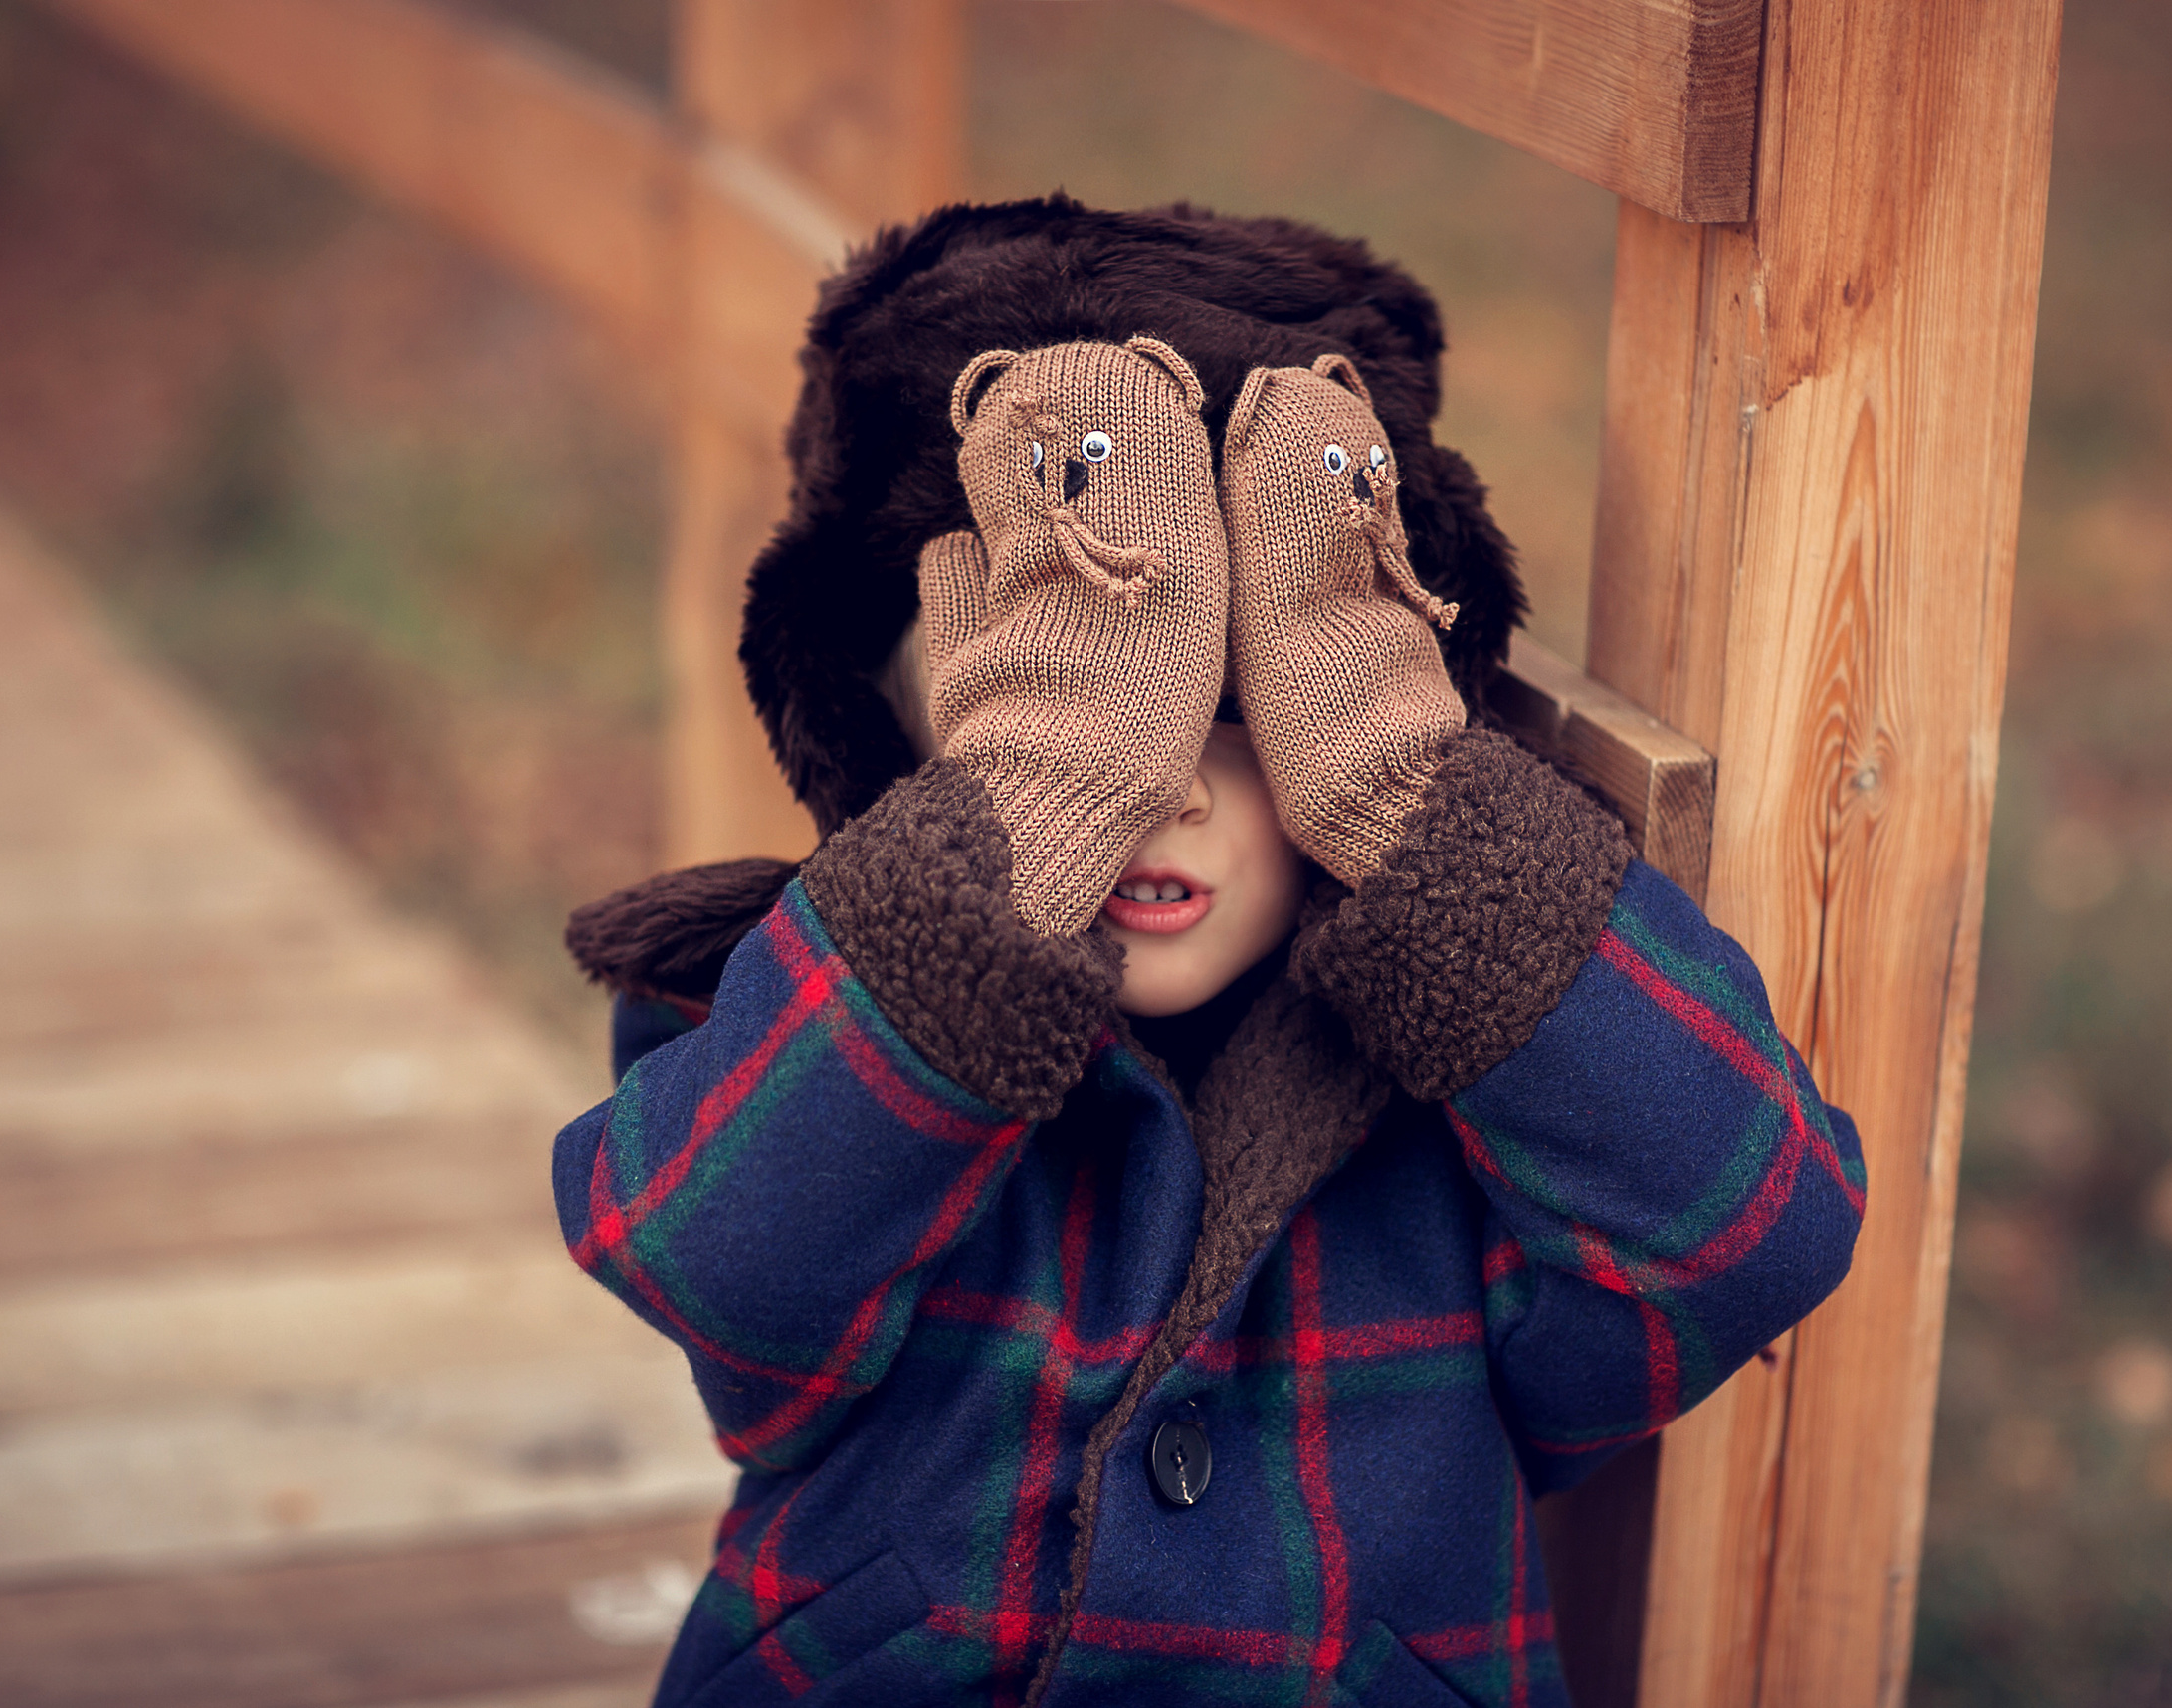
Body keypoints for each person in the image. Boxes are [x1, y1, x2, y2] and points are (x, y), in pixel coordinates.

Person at [555, 199, 1864, 1708]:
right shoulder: (793, 1008)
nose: (1159, 778)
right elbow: (724, 1273)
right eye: (1066, 688)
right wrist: (1035, 806)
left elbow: (1753, 1227)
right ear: (884, 706)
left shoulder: (1483, 1090)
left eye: (1240, 690)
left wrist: (1396, 792)